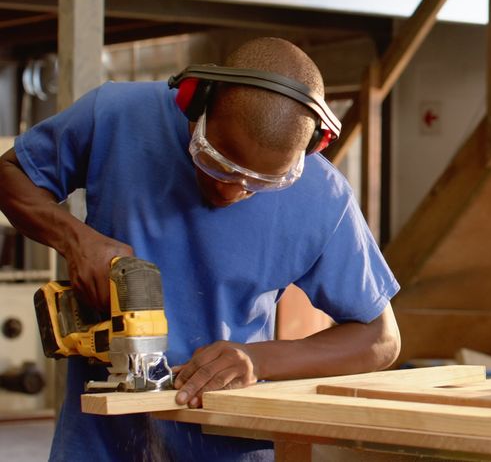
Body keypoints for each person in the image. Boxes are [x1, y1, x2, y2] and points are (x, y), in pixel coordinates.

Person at [0, 37, 401, 460]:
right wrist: (75, 240)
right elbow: (11, 174)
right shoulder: (117, 116)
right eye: (216, 162)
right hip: (98, 445)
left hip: (225, 446)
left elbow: (380, 339)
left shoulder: (322, 197)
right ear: (196, 104)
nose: (230, 191)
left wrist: (255, 359)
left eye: (258, 184)